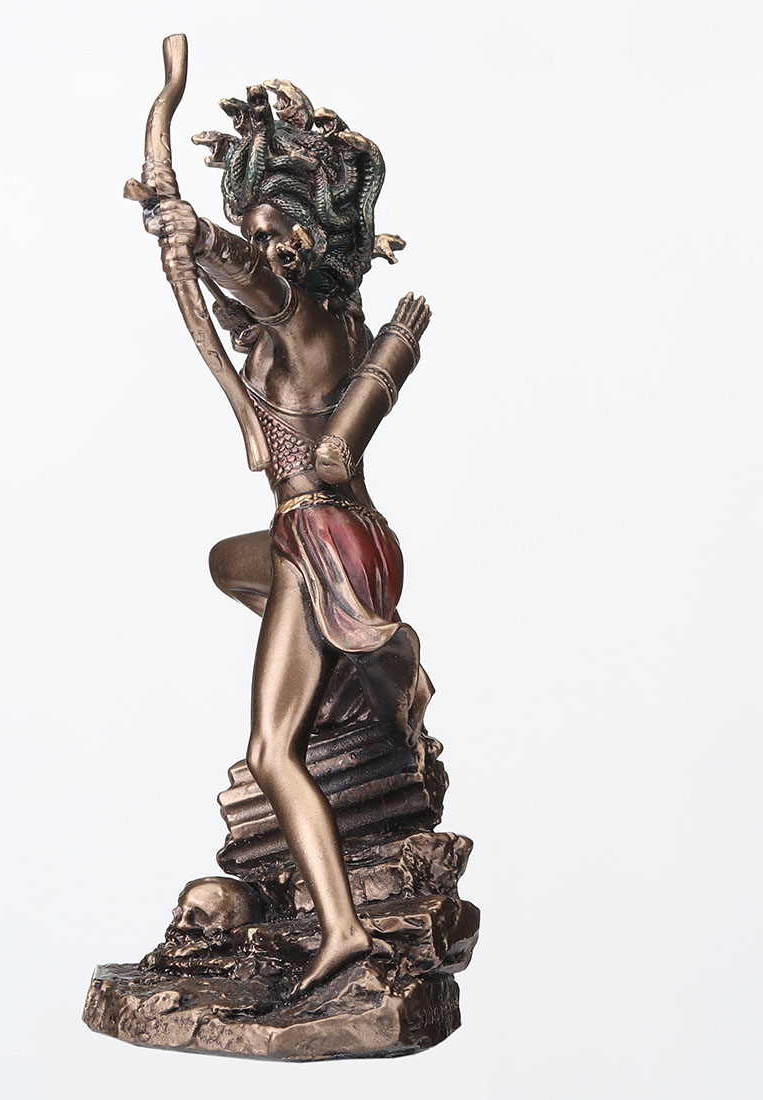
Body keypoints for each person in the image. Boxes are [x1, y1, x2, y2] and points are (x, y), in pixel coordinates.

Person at [141, 81, 430, 995]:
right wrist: (185, 236)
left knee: (271, 752)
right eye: (252, 230)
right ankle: (355, 667)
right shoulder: (330, 320)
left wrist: (199, 236)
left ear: (307, 239)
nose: (263, 247)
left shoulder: (301, 314)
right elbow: (241, 288)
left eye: (274, 234)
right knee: (229, 562)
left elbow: (247, 278)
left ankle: (341, 931)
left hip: (320, 538)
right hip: (329, 532)